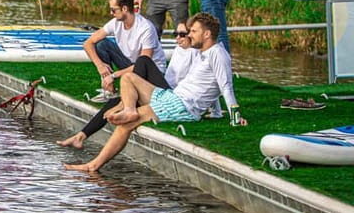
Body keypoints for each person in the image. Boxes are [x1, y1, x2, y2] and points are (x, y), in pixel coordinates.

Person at [65, 13, 247, 172]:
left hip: (183, 106)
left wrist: (235, 118)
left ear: (207, 34)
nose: (189, 35)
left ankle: (93, 165)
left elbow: (225, 87)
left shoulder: (218, 54)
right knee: (128, 78)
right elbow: (208, 87)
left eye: (194, 31)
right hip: (173, 97)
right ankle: (128, 108)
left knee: (126, 125)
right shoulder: (202, 52)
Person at [58, 21, 197, 149]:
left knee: (143, 61)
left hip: (172, 96)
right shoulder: (180, 50)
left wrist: (214, 111)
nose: (177, 38)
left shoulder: (196, 54)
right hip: (163, 90)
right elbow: (88, 43)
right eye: (175, 34)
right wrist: (102, 69)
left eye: (182, 35)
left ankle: (124, 106)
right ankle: (81, 136)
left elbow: (204, 86)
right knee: (116, 100)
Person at [83, 0, 167, 102]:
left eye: (113, 10)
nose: (111, 13)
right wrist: (100, 66)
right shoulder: (115, 22)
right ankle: (110, 91)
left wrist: (114, 75)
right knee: (101, 44)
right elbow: (88, 43)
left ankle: (123, 90)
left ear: (124, 9)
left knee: (139, 66)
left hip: (151, 70)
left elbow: (144, 63)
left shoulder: (146, 28)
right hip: (132, 63)